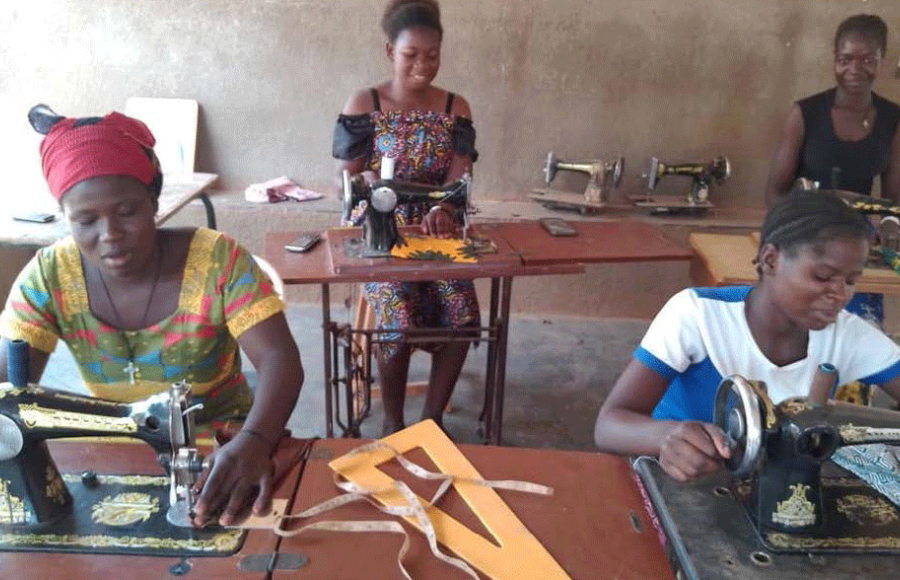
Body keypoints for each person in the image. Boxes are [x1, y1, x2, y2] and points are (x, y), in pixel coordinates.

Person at [0, 105, 304, 526]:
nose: (110, 235)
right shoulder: (49, 275)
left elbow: (280, 361)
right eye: (85, 220)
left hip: (229, 448)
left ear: (154, 201)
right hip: (110, 454)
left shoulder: (219, 260)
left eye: (127, 212)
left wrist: (255, 439)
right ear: (65, 218)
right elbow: (8, 382)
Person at [593, 191, 900, 481]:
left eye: (851, 281)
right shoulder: (697, 316)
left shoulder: (846, 334)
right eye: (822, 276)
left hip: (769, 494)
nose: (840, 294)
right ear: (770, 260)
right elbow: (609, 425)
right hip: (680, 487)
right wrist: (665, 437)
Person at [332, 0, 479, 435]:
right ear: (389, 53)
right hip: (380, 226)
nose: (422, 65)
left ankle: (431, 422)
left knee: (463, 310)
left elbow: (458, 178)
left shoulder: (456, 107)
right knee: (396, 315)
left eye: (431, 55)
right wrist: (374, 183)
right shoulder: (366, 103)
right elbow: (348, 179)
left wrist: (442, 207)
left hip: (436, 226)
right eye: (411, 54)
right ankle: (394, 423)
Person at [765, 14, 900, 329]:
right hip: (802, 231)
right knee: (801, 324)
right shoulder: (805, 114)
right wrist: (793, 234)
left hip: (857, 239)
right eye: (845, 59)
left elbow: (894, 197)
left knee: (857, 329)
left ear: (882, 61)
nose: (855, 69)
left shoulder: (894, 119)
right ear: (834, 61)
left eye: (867, 60)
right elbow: (775, 192)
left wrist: (890, 225)